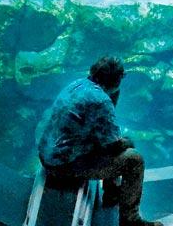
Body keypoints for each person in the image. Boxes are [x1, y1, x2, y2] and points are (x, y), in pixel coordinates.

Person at [37, 56, 162, 226]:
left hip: (48, 155)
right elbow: (112, 145)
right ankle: (130, 219)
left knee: (102, 139)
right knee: (134, 160)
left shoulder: (77, 84)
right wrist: (128, 142)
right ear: (116, 80)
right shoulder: (101, 101)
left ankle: (112, 193)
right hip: (62, 166)